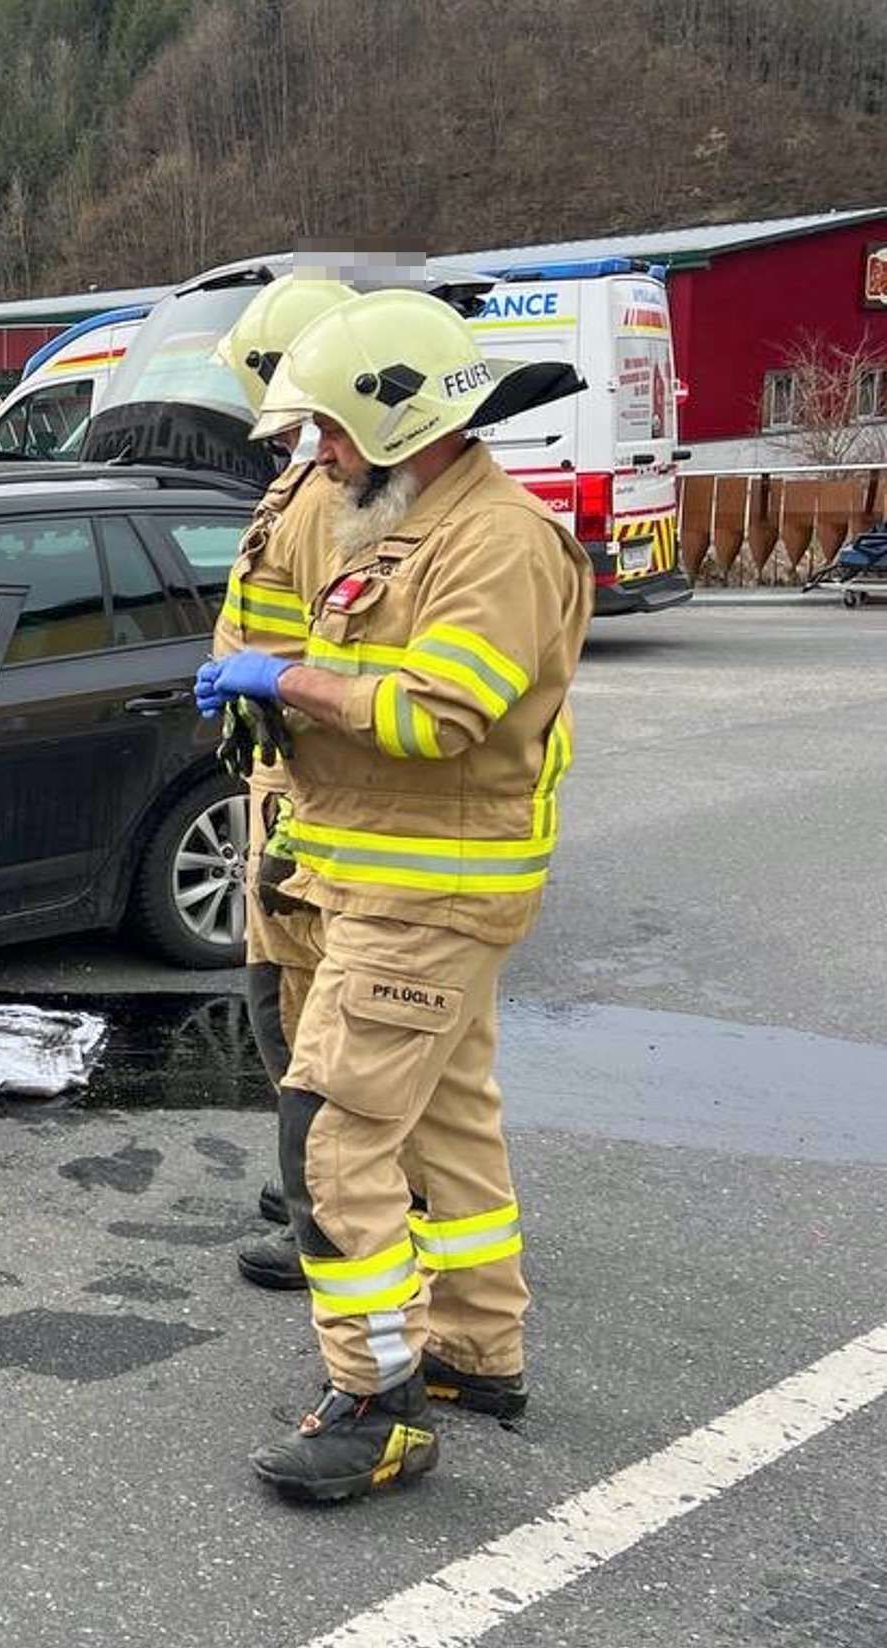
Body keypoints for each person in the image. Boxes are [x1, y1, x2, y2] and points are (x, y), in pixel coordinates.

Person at [196, 290, 590, 1504]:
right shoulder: (392, 509)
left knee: (330, 1133)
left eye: (328, 431)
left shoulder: (497, 542)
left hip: (430, 884)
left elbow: (436, 713)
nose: (313, 454)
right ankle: (474, 1349)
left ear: (398, 414)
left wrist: (293, 683)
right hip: (371, 863)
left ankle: (375, 1403)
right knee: (445, 1116)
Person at [207, 275, 357, 1287]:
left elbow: (340, 662)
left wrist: (269, 686)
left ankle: (329, 1209)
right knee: (279, 999)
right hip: (276, 774)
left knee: (298, 1017)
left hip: (303, 787)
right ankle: (309, 1182)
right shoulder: (298, 489)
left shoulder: (325, 504)